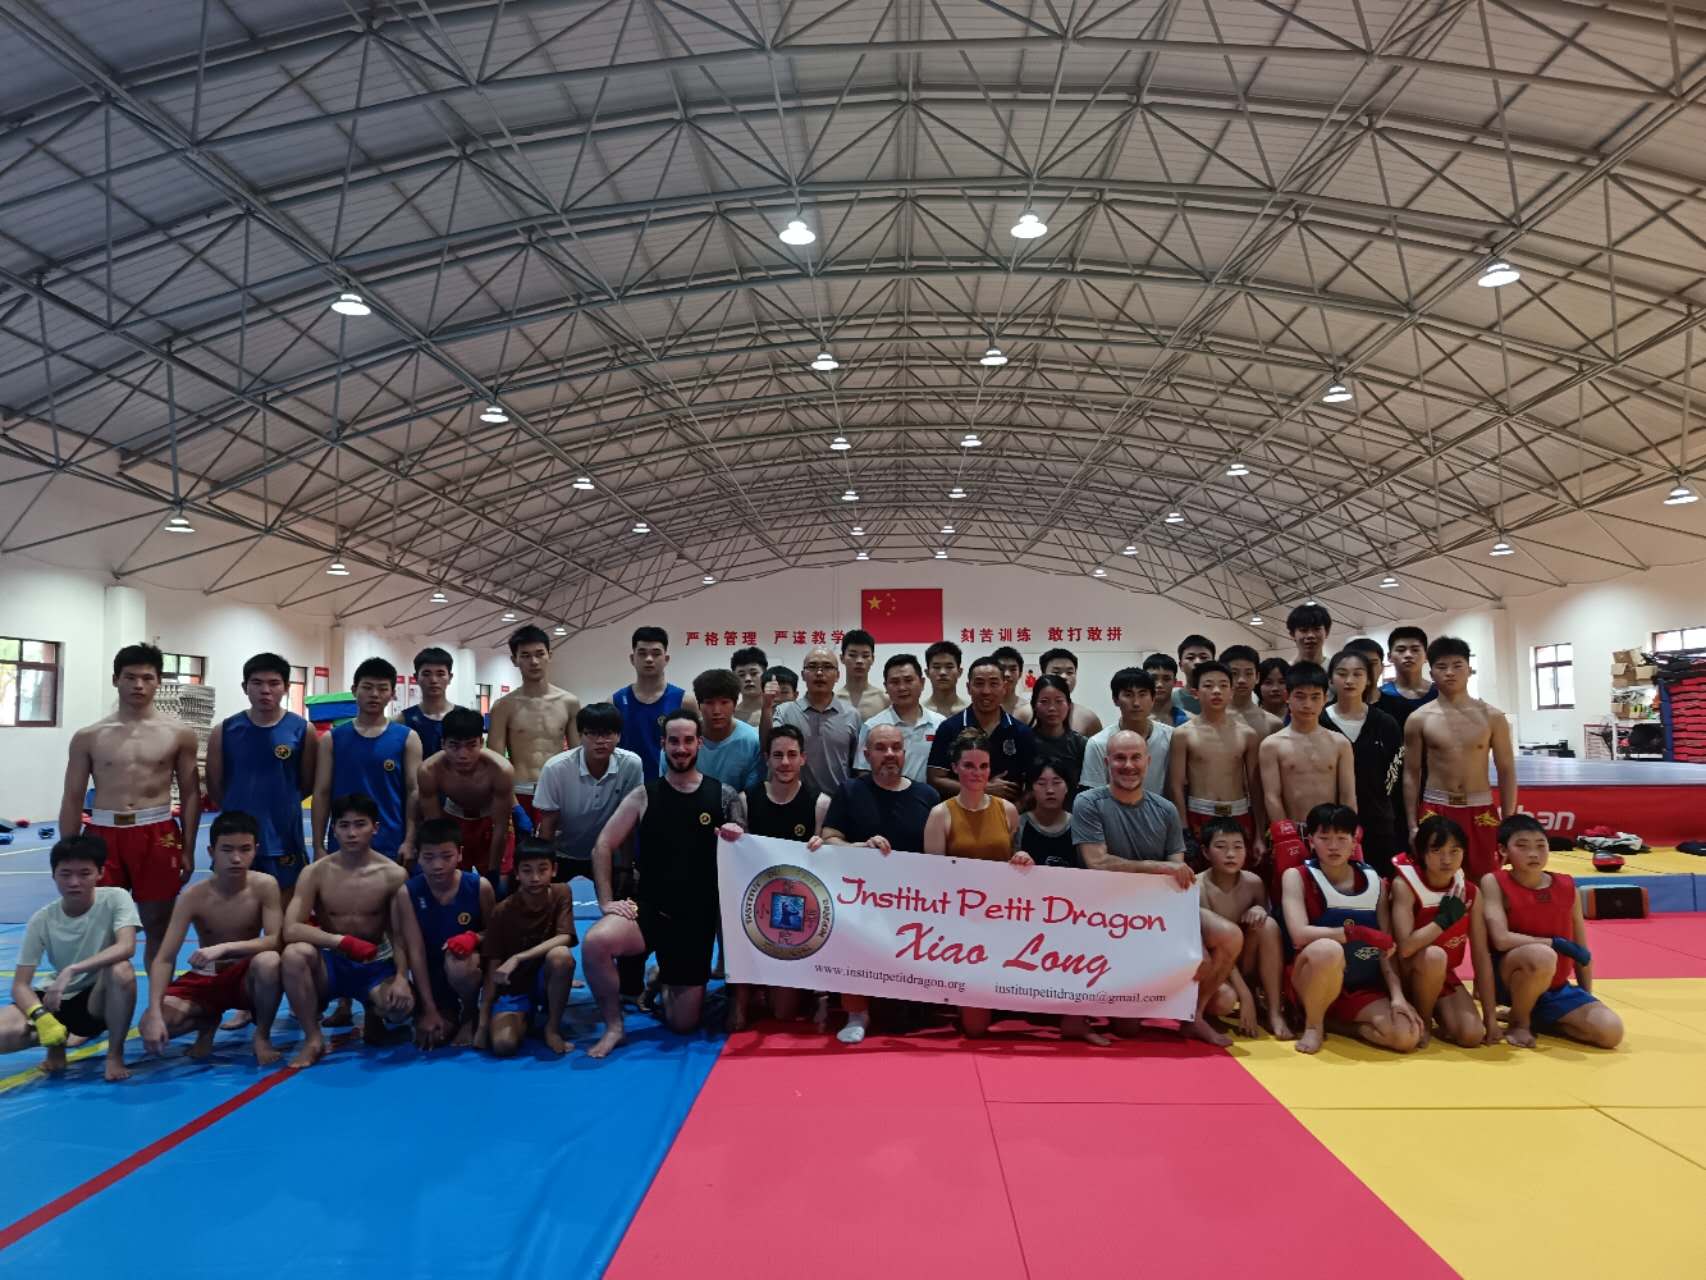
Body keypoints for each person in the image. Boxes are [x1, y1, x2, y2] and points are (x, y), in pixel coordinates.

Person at [581, 710, 746, 1058]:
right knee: (595, 943)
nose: (681, 748)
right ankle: (614, 1027)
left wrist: (737, 834)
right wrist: (606, 901)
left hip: (695, 920)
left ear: (699, 743)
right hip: (650, 910)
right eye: (674, 741)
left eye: (688, 741)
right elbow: (602, 845)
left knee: (683, 1024)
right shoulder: (644, 795)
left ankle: (660, 976)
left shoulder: (725, 796)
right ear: (663, 744)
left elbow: (746, 850)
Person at [1072, 730, 1241, 1047]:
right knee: (1127, 1028)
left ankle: (1193, 1016)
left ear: (1148, 762)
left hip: (1157, 911)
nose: (1128, 765)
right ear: (1107, 763)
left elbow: (1177, 877)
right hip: (1105, 913)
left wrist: (1186, 936)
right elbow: (1097, 862)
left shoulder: (1165, 810)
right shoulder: (1088, 803)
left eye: (1135, 757)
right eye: (1120, 758)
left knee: (1230, 936)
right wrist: (1157, 867)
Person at [60, 643, 199, 974]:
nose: (139, 685)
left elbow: (192, 794)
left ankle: (157, 998)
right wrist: (68, 853)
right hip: (103, 834)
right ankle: (102, 998)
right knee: (103, 925)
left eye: (147, 678)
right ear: (115, 680)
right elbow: (72, 797)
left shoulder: (179, 734)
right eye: (130, 677)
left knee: (157, 922)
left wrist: (189, 848)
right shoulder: (88, 737)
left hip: (158, 831)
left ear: (158, 682)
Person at [822, 723, 940, 1043]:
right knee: (851, 933)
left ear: (905, 753)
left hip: (914, 904)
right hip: (860, 901)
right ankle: (856, 1013)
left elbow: (940, 856)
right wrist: (859, 847)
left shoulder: (928, 796)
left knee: (905, 1021)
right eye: (881, 748)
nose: (889, 754)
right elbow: (829, 838)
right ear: (866, 754)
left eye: (895, 748)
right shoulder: (850, 791)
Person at [138, 811, 285, 1064]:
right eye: (227, 849)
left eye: (245, 849)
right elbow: (164, 958)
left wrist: (224, 948)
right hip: (206, 978)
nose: (236, 858)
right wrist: (154, 1011)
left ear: (256, 850)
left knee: (270, 961)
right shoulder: (193, 896)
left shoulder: (265, 885)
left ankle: (262, 1035)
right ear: (211, 851)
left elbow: (274, 940)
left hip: (244, 977)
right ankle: (207, 1020)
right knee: (153, 1026)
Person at [281, 793, 414, 1068]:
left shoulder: (393, 875)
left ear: (375, 828)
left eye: (360, 824)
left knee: (400, 1009)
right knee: (294, 955)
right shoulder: (315, 873)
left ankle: (374, 1014)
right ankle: (313, 1038)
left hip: (375, 964)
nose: (351, 833)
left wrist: (402, 977)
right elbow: (291, 928)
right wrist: (341, 941)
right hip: (334, 964)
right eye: (344, 825)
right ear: (334, 830)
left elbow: (401, 935)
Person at [1280, 803, 1423, 1056]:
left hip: (1358, 984)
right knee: (1328, 950)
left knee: (1406, 1036)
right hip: (1310, 980)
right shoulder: (1296, 876)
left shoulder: (1375, 882)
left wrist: (1397, 996)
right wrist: (1356, 933)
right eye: (1324, 838)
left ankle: (1337, 1025)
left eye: (1341, 838)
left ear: (1354, 841)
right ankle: (1313, 1024)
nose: (1333, 846)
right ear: (1311, 841)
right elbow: (1299, 934)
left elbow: (1387, 947)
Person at [0, 835, 139, 1082]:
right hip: (56, 1000)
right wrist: (41, 1017)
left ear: (100, 873)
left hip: (98, 999)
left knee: (121, 970)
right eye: (65, 874)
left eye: (84, 873)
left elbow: (126, 946)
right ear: (53, 875)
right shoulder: (42, 919)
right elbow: (20, 985)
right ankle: (57, 1043)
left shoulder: (116, 898)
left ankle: (114, 1055)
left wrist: (72, 969)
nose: (74, 882)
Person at [1479, 815, 1623, 1049]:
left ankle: (1538, 1017)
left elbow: (1580, 951)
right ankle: (1519, 1022)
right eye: (1522, 846)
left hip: (1555, 987)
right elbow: (1501, 939)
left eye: (1540, 846)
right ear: (1503, 850)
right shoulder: (1494, 882)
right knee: (1542, 956)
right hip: (1511, 978)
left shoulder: (1566, 886)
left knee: (1610, 1032)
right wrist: (1554, 943)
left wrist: (1586, 996)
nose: (1533, 854)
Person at [533, 702, 646, 1000]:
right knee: (544, 912)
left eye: (608, 734)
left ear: (619, 736)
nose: (600, 741)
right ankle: (552, 975)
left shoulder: (631, 764)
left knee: (630, 908)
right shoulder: (556, 768)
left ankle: (631, 986)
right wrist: (543, 871)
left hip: (607, 853)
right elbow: (547, 826)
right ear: (579, 736)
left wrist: (626, 868)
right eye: (592, 734)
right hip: (562, 851)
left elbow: (628, 823)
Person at [922, 730, 1029, 1037]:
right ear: (955, 768)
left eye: (983, 766)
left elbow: (1015, 864)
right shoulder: (940, 814)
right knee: (975, 1028)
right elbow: (934, 879)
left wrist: (1022, 859)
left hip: (1003, 917)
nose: (977, 773)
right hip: (961, 923)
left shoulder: (1007, 810)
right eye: (969, 765)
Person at [736, 723, 832, 1028]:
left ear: (803, 758)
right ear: (767, 758)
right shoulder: (746, 800)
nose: (785, 762)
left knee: (783, 1013)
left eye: (792, 755)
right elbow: (736, 861)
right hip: (756, 906)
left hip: (799, 908)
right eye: (778, 755)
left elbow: (828, 870)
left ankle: (816, 992)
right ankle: (741, 995)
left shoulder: (820, 803)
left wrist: (824, 846)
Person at [207, 652, 314, 912]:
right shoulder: (225, 730)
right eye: (257, 683)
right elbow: (215, 784)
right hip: (237, 840)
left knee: (283, 920)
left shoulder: (302, 730)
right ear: (245, 687)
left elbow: (307, 783)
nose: (265, 690)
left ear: (286, 687)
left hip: (284, 837)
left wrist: (281, 804)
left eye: (274, 683)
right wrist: (238, 806)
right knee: (236, 920)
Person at [1404, 636, 1516, 882]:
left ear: (1469, 669)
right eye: (1441, 667)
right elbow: (1411, 773)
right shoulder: (1419, 719)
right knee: (1436, 880)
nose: (1449, 673)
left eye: (1457, 665)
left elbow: (1507, 770)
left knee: (1486, 880)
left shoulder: (1493, 717)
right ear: (1431, 673)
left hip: (1480, 808)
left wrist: (1509, 823)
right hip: (1436, 807)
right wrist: (1412, 825)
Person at [1389, 815, 1490, 1049]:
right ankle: (1424, 1019)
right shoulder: (1404, 885)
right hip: (1406, 972)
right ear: (1422, 853)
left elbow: (1481, 956)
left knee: (1472, 1035)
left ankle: (1436, 1010)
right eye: (1437, 851)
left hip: (1441, 975)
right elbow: (1405, 949)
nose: (1447, 859)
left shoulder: (1471, 892)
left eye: (1455, 851)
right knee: (1434, 956)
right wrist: (1444, 920)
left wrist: (1491, 1018)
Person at [397, 818, 494, 1050]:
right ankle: (442, 1009)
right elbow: (416, 951)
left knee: (458, 963)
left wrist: (474, 937)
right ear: (418, 857)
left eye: (446, 856)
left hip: (468, 971)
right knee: (433, 1036)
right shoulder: (408, 893)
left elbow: (496, 935)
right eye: (429, 857)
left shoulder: (479, 887)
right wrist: (429, 1010)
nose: (438, 865)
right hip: (432, 975)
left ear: (459, 854)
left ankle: (470, 1013)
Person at [313, 657, 419, 864]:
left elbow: (413, 792)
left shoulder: (407, 738)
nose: (374, 694)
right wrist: (318, 846)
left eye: (382, 688)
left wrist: (409, 841)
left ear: (393, 693)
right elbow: (322, 793)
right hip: (342, 844)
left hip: (391, 844)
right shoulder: (332, 739)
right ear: (354, 690)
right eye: (367, 687)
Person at [1259, 662, 1356, 889]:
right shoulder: (1272, 745)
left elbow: (1348, 794)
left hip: (1333, 832)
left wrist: (1351, 830)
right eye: (1300, 696)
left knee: (1334, 892)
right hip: (1292, 831)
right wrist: (1285, 837)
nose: (1307, 704)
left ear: (1325, 698)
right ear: (1287, 697)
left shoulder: (1340, 743)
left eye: (1315, 697)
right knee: (1291, 891)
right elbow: (1271, 796)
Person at [479, 840, 576, 1057]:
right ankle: (525, 1015)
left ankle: (552, 1027)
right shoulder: (501, 911)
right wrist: (483, 1024)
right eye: (527, 870)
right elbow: (493, 967)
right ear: (516, 874)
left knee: (561, 956)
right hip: (514, 987)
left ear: (554, 870)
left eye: (542, 869)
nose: (535, 878)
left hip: (544, 980)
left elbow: (565, 937)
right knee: (503, 1045)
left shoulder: (562, 892)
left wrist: (519, 957)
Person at [1197, 819, 1291, 1040]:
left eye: (1238, 847)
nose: (1231, 854)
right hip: (1217, 965)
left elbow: (1265, 938)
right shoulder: (1198, 886)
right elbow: (1215, 947)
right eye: (1221, 847)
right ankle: (1207, 1011)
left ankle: (1275, 1012)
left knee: (1267, 924)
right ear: (1206, 851)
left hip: (1246, 962)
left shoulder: (1254, 883)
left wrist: (1259, 909)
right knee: (1224, 1001)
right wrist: (1245, 995)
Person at [1166, 661, 1265, 869]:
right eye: (1208, 685)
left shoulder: (1247, 734)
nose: (1217, 691)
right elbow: (1175, 786)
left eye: (1223, 685)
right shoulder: (1183, 734)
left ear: (1231, 692)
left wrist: (1259, 834)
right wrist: (1183, 830)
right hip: (1198, 814)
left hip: (1239, 814)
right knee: (1198, 879)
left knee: (1240, 877)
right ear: (1195, 692)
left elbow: (1255, 787)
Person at [1320, 649, 1403, 876]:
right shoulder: (1319, 721)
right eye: (1342, 673)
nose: (1349, 680)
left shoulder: (1386, 724)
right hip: (1329, 823)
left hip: (1378, 821)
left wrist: (1382, 804)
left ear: (1368, 679)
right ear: (1330, 680)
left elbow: (1395, 773)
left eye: (1357, 674)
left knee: (1379, 883)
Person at [489, 625, 580, 828]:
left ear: (549, 655)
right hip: (519, 792)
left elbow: (577, 757)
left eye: (540, 654)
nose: (534, 662)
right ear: (514, 660)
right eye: (526, 655)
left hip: (557, 790)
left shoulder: (569, 702)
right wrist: (514, 806)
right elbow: (496, 763)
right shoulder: (503, 706)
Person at [418, 707, 517, 882]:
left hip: (490, 821)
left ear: (481, 743)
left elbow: (500, 826)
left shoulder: (500, 770)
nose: (463, 755)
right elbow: (435, 828)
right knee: (451, 880)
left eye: (471, 745)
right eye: (454, 746)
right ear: (443, 744)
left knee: (500, 884)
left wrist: (493, 871)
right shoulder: (429, 770)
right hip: (453, 819)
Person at [927, 655, 1036, 800]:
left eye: (993, 684)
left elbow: (1034, 784)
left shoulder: (1022, 732)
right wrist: (984, 789)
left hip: (1009, 811)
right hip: (960, 811)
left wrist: (1015, 809)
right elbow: (935, 779)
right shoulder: (949, 728)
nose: (986, 691)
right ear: (968, 688)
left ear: (1004, 687)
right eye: (979, 683)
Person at [771, 646, 862, 795]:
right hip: (796, 800)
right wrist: (766, 707)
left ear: (837, 675)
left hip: (839, 800)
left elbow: (857, 765)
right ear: (803, 675)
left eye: (827, 667)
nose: (819, 673)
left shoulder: (852, 715)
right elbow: (768, 748)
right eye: (812, 667)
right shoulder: (785, 712)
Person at [613, 626, 695, 784]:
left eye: (656, 654)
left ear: (666, 659)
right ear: (632, 658)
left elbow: (696, 749)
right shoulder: (615, 701)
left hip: (673, 786)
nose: (649, 659)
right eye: (642, 653)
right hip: (626, 786)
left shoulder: (685, 701)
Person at [1081, 667, 1172, 792]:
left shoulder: (1171, 737)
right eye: (1128, 695)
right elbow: (1094, 795)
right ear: (1115, 700)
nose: (1136, 703)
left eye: (1142, 694)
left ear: (1153, 698)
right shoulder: (1098, 743)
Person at [856, 654, 944, 783]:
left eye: (908, 680)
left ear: (922, 683)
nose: (902, 688)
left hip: (930, 795)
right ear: (886, 687)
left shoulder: (940, 724)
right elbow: (863, 773)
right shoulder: (872, 727)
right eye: (895, 682)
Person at [677, 669, 763, 792]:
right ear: (699, 705)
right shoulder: (681, 739)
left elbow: (752, 792)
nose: (716, 711)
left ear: (735, 704)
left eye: (724, 702)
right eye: (709, 703)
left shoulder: (752, 741)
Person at [1014, 648, 1103, 734]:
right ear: (1043, 675)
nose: (1064, 677)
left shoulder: (1089, 719)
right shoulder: (1023, 714)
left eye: (1070, 672)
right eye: (1056, 672)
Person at [397, 647, 457, 760]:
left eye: (440, 674)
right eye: (426, 674)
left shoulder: (463, 717)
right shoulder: (403, 720)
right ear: (416, 677)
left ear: (450, 677)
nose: (433, 680)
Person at [1026, 674, 1087, 784]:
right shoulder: (1022, 742)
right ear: (1034, 705)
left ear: (1069, 705)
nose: (1052, 708)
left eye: (1059, 701)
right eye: (1044, 701)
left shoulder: (1081, 745)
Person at [1017, 761, 1078, 867]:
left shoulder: (1078, 825)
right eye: (1041, 784)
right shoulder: (1019, 823)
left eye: (1056, 783)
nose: (1050, 790)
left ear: (1067, 787)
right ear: (1031, 789)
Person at [1222, 645, 1282, 738]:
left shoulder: (1273, 723)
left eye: (1248, 673)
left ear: (1257, 677)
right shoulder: (1210, 718)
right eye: (1234, 673)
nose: (1241, 680)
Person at [837, 629, 890, 721]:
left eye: (865, 656)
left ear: (872, 659)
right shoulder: (834, 701)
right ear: (842, 658)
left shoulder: (885, 699)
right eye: (852, 655)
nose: (859, 661)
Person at [1382, 626, 1436, 712]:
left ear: (1426, 656)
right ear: (1389, 657)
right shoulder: (1381, 695)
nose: (1408, 655)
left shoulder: (1440, 693)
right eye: (1401, 650)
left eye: (1415, 650)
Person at [1173, 635, 1217, 716]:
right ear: (1181, 665)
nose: (1197, 662)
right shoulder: (1170, 700)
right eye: (1190, 658)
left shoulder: (1224, 698)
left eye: (1204, 657)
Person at [924, 640, 969, 717]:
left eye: (949, 667)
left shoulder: (970, 710)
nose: (942, 672)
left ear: (959, 672)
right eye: (936, 667)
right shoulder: (920, 711)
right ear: (927, 673)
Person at [1144, 653, 1190, 727]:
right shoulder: (1132, 720)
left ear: (1174, 682)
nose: (1159, 684)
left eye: (1166, 679)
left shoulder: (1188, 720)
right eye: (1153, 679)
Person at [731, 645, 770, 726]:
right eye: (741, 675)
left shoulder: (777, 712)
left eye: (754, 673)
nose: (747, 679)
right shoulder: (729, 715)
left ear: (765, 675)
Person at [991, 645, 1027, 717]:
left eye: (1013, 669)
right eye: (1001, 668)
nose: (1007, 674)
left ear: (1020, 674)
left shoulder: (1028, 709)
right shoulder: (981, 708)